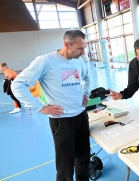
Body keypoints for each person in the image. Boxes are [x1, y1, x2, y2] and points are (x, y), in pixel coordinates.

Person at [11, 30, 91, 180]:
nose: (83, 52)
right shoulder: (45, 61)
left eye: (84, 48)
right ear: (67, 44)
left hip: (81, 116)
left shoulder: (79, 61)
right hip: (62, 120)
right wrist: (40, 107)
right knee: (65, 166)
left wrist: (85, 93)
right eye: (80, 48)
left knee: (83, 158)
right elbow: (18, 85)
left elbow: (86, 77)